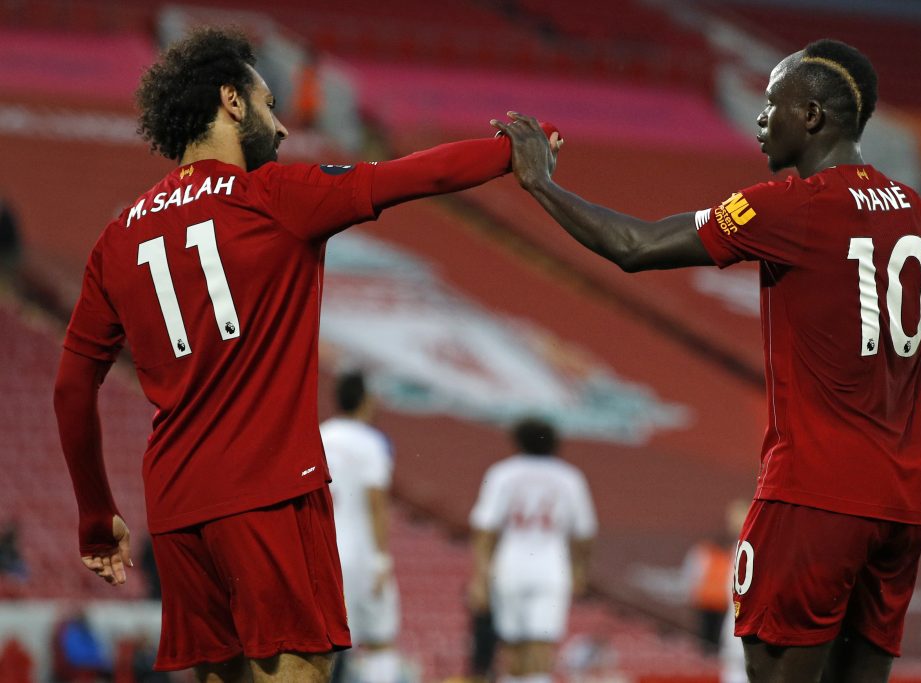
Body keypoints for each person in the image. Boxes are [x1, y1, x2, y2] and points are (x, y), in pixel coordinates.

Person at [52, 26, 559, 682]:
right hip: (268, 493)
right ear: (231, 101)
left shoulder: (117, 239)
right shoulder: (275, 197)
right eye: (269, 104)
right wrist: (515, 149)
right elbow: (413, 175)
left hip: (176, 509)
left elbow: (71, 387)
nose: (283, 126)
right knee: (298, 669)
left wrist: (96, 515)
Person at [492, 39, 921, 683]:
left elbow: (635, 246)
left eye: (773, 105)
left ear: (812, 116)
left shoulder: (791, 205)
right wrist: (879, 428)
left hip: (812, 495)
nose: (761, 120)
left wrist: (540, 183)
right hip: (901, 502)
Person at [468, 417, 597, 683]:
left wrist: (480, 577)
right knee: (541, 644)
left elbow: (485, 530)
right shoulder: (569, 477)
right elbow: (585, 533)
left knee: (512, 645)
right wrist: (579, 570)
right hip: (551, 568)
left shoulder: (502, 473)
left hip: (510, 566)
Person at [320, 371, 402, 683]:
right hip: (361, 554)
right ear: (366, 400)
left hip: (326, 551)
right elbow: (376, 502)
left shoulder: (320, 435)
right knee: (381, 638)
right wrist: (382, 559)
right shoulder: (371, 443)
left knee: (331, 642)